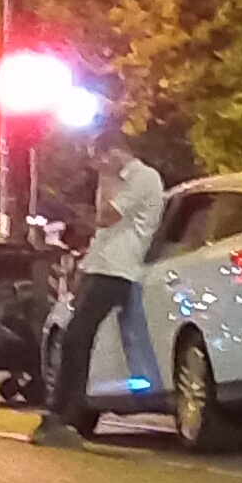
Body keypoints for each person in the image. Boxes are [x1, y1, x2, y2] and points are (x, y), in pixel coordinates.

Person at [39, 124, 168, 442]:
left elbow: (106, 216)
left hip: (117, 270)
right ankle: (65, 410)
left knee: (77, 336)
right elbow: (101, 215)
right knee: (74, 337)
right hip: (101, 265)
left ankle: (67, 412)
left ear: (115, 152)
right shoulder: (119, 180)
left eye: (99, 158)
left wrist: (108, 176)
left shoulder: (143, 178)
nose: (96, 166)